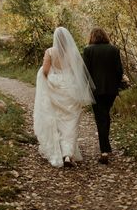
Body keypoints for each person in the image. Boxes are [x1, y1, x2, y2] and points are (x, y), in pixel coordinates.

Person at [34, 27, 95, 168]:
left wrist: (52, 80)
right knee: (71, 121)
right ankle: (68, 154)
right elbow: (77, 72)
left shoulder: (50, 52)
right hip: (70, 89)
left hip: (56, 89)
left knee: (58, 119)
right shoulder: (73, 53)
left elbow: (45, 71)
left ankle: (61, 150)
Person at [83, 27, 123, 165]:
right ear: (105, 36)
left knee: (101, 118)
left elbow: (85, 72)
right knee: (105, 115)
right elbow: (119, 71)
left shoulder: (88, 50)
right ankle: (106, 147)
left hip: (96, 90)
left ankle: (104, 151)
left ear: (92, 36)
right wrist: (116, 85)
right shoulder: (114, 50)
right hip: (111, 90)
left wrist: (85, 87)